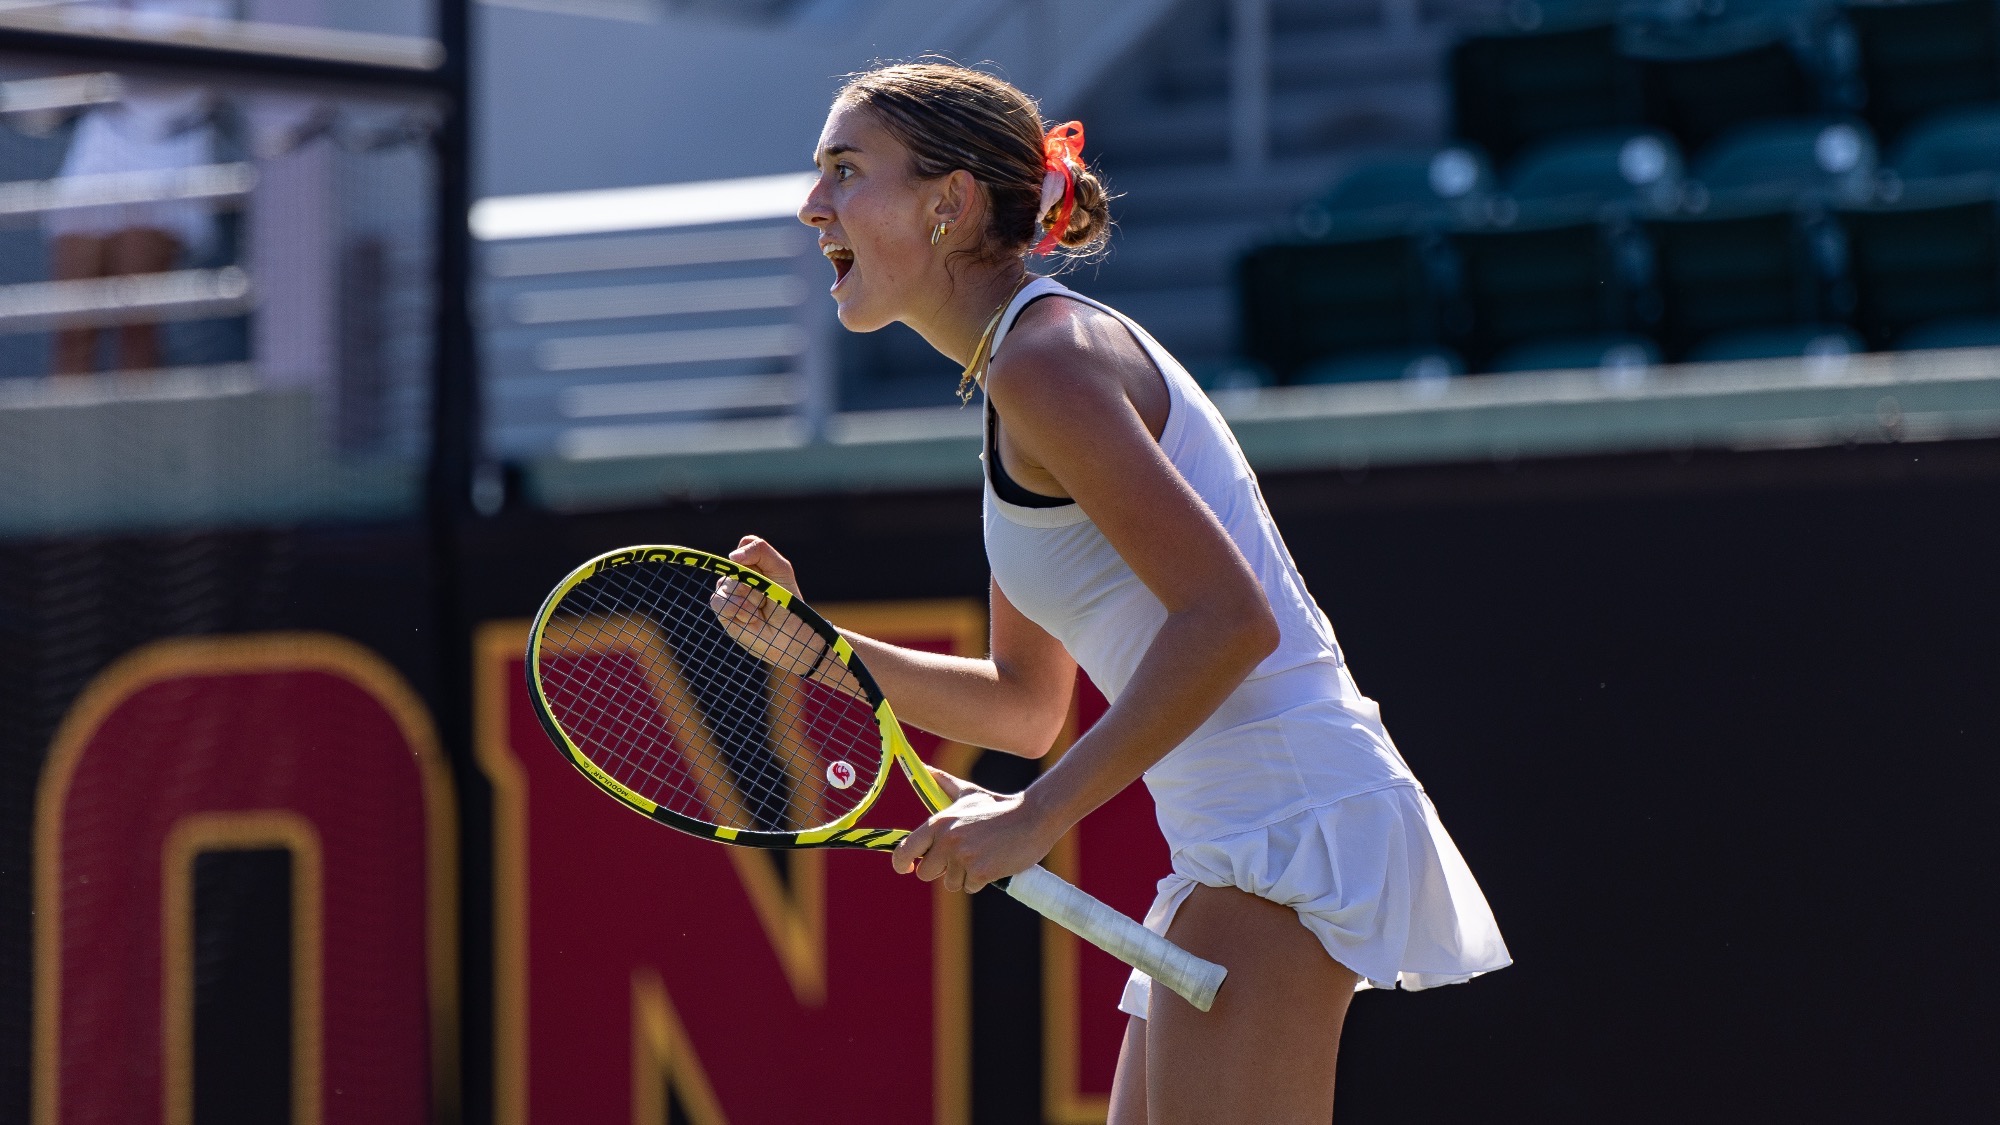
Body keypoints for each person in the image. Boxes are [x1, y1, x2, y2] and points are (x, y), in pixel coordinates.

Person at [731, 61, 1510, 1123]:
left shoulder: (1045, 365)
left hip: (1285, 837)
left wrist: (1033, 818)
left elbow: (1229, 623)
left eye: (844, 169)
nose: (811, 203)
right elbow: (1025, 703)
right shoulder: (1022, 378)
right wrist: (815, 650)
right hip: (1237, 850)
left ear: (949, 204)